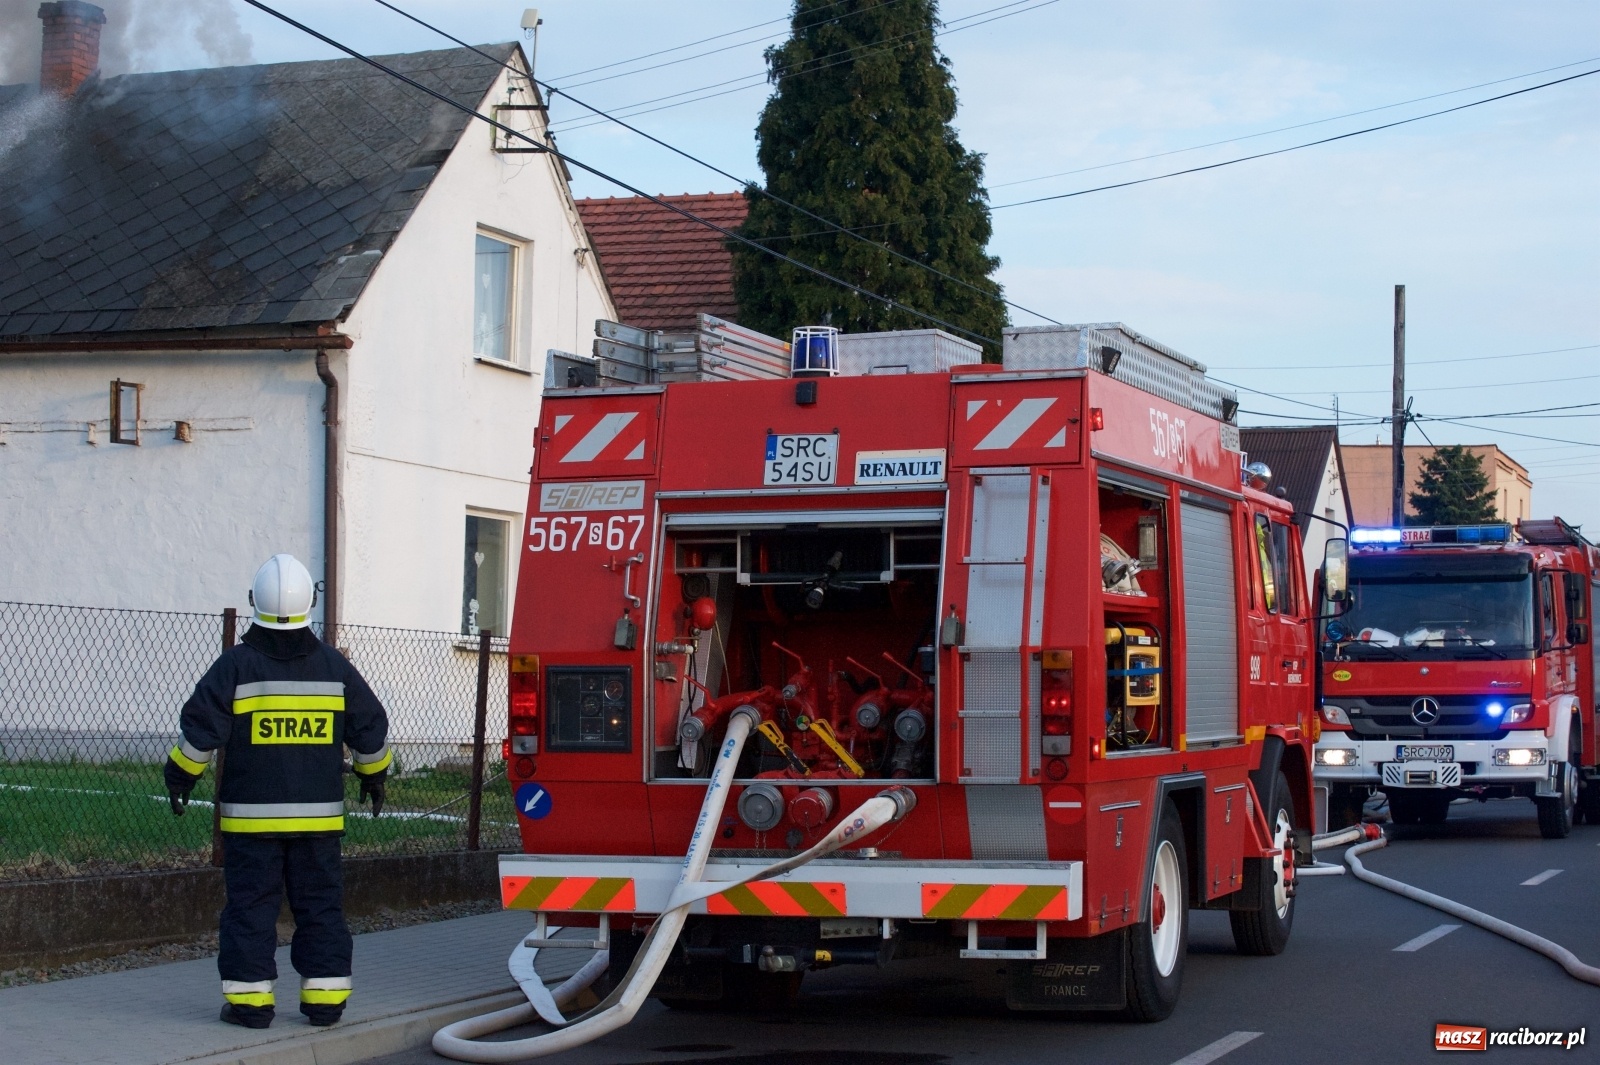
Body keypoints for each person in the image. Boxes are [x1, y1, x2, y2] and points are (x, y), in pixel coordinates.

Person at [164, 554, 391, 1029]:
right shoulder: (335, 668)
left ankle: (250, 1006)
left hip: (252, 823)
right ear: (311, 601)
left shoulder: (235, 667)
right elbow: (369, 732)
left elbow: (200, 733)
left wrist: (180, 779)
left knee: (250, 908)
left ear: (254, 603)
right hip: (318, 825)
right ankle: (326, 1002)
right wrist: (374, 779)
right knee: (321, 908)